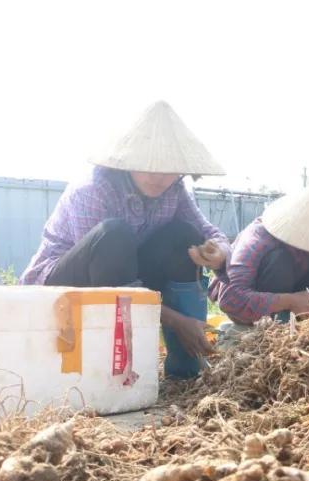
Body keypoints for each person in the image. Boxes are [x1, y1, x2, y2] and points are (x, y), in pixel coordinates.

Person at [21, 100, 229, 379]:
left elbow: (208, 232)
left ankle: (186, 369)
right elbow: (106, 282)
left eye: (168, 169)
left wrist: (218, 252)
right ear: (128, 161)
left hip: (127, 276)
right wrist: (177, 321)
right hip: (64, 285)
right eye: (147, 166)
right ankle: (120, 371)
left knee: (184, 235)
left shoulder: (174, 191)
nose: (158, 177)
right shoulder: (94, 190)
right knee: (114, 236)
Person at [209, 181, 309, 325]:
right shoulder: (259, 237)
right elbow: (230, 299)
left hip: (304, 303)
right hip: (259, 309)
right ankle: (277, 324)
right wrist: (289, 301)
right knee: (279, 260)